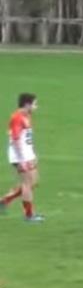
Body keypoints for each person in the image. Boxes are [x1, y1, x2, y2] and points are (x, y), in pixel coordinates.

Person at [0, 93, 44, 222]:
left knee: (34, 181)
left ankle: (4, 200)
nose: (36, 107)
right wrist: (21, 159)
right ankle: (29, 215)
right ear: (27, 104)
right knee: (27, 184)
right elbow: (16, 139)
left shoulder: (26, 116)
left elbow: (26, 138)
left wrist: (32, 154)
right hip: (20, 156)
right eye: (35, 104)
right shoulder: (17, 118)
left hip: (27, 154)